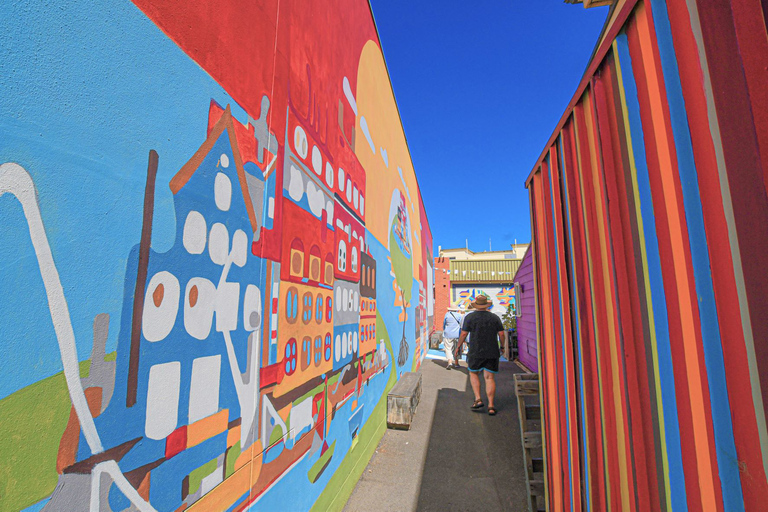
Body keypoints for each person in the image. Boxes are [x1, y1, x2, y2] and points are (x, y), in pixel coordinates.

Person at [455, 295, 505, 416]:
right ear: (486, 305)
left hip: (475, 351)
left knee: (473, 373)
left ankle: (478, 399)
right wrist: (502, 347)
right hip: (492, 351)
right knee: (489, 378)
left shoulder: (470, 317)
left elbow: (463, 334)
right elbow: (502, 334)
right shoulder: (494, 318)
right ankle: (491, 406)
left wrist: (458, 347)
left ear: (476, 305)